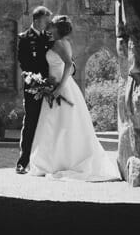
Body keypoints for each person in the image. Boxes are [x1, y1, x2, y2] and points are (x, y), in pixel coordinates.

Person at [25, 15, 121, 181]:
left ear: (57, 28)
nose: (49, 27)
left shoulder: (60, 43)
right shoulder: (62, 42)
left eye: (52, 25)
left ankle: (57, 162)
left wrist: (59, 88)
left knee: (59, 123)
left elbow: (69, 65)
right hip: (56, 85)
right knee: (57, 124)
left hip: (61, 88)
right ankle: (52, 161)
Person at [15, 6, 54, 174]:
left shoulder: (49, 38)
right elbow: (24, 64)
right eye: (46, 21)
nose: (49, 24)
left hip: (51, 88)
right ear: (37, 20)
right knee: (30, 123)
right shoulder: (24, 38)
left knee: (50, 124)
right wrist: (37, 81)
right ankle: (23, 162)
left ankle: (46, 163)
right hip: (33, 88)